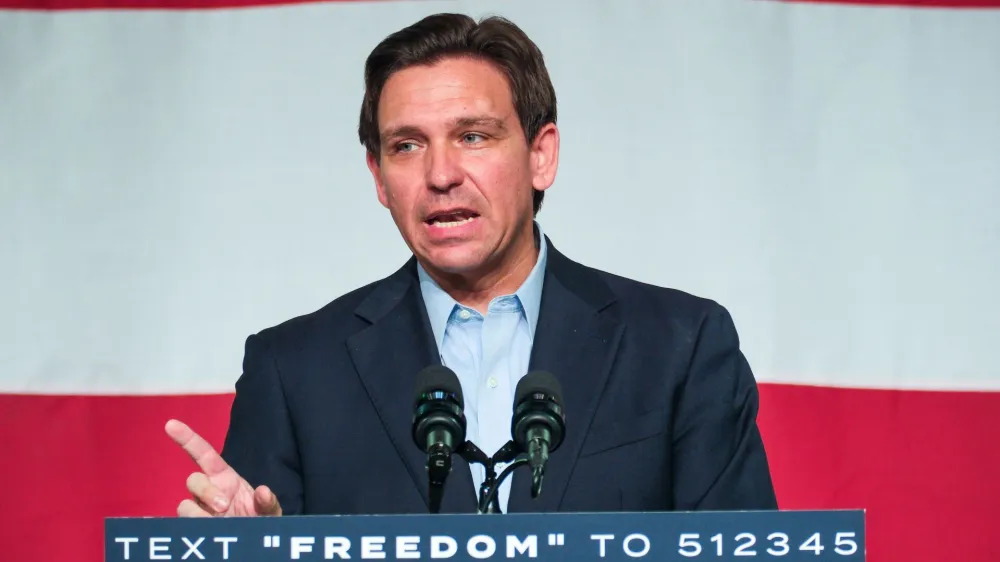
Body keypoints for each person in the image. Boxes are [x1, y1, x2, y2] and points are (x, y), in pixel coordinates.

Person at [165, 12, 777, 518]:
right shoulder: (294, 369)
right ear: (379, 178)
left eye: (474, 136)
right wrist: (262, 556)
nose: (440, 174)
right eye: (406, 145)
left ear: (541, 156)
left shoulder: (680, 346)